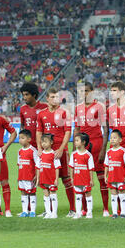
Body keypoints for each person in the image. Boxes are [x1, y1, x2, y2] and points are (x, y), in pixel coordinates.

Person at [36, 88, 75, 217]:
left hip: (59, 150)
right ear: (47, 98)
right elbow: (39, 132)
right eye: (52, 97)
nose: (55, 99)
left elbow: (68, 132)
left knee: (66, 179)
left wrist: (61, 148)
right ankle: (49, 211)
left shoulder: (64, 113)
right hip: (46, 151)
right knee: (47, 180)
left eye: (57, 97)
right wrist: (39, 148)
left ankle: (73, 209)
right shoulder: (41, 114)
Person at [74, 82, 109, 216]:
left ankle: (105, 208)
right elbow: (77, 129)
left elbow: (105, 129)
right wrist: (74, 149)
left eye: (87, 91)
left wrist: (103, 149)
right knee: (82, 179)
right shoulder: (78, 108)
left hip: (97, 145)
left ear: (92, 92)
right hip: (83, 147)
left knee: (101, 178)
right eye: (82, 91)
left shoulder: (99, 107)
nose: (84, 94)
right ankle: (84, 209)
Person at [107, 81, 125, 214]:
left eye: (114, 91)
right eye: (111, 91)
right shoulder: (110, 110)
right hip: (116, 150)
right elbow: (111, 130)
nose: (112, 93)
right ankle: (119, 210)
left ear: (122, 92)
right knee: (116, 178)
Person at [69, 132, 95, 219]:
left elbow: (91, 168)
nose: (75, 142)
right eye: (75, 140)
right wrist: (72, 178)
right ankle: (78, 213)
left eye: (77, 140)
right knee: (78, 196)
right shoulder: (74, 154)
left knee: (88, 195)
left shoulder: (88, 155)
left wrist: (91, 180)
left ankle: (89, 212)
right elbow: (71, 167)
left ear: (83, 142)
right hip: (77, 179)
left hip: (86, 179)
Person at [36, 133, 60, 219]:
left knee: (53, 194)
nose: (43, 144)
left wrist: (56, 179)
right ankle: (48, 212)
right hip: (43, 178)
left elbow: (57, 167)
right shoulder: (40, 154)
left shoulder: (54, 154)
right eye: (42, 142)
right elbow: (38, 167)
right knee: (45, 194)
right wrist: (38, 179)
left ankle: (54, 213)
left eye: (45, 142)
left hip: (51, 178)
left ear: (51, 142)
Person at [17, 129, 40, 218]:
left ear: (29, 139)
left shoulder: (33, 150)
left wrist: (36, 176)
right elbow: (19, 164)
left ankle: (33, 211)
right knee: (23, 193)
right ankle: (24, 211)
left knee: (31, 193)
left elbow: (37, 164)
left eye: (22, 138)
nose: (20, 140)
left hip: (30, 177)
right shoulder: (19, 151)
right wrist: (19, 177)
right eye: (19, 138)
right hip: (22, 177)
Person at [20, 82, 48, 150]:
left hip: (43, 145)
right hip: (29, 146)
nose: (24, 97)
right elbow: (22, 125)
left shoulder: (45, 107)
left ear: (34, 95)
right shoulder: (23, 109)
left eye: (27, 95)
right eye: (23, 95)